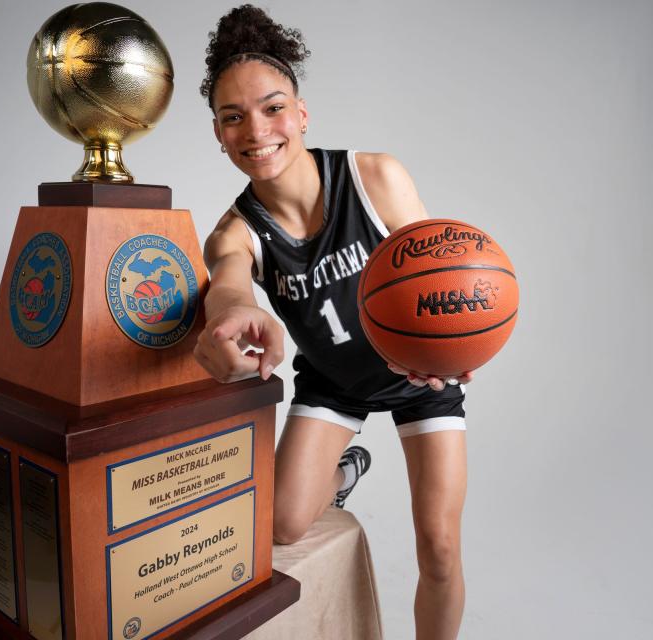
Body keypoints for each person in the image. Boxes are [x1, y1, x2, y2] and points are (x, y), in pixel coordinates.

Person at [193, 6, 473, 639]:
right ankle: (342, 473)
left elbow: (441, 278)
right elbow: (230, 286)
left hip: (416, 376)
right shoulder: (235, 232)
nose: (255, 130)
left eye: (271, 108)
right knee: (282, 525)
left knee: (439, 546)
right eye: (232, 117)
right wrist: (235, 311)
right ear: (217, 132)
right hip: (334, 381)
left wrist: (449, 348)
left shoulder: (375, 177)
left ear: (301, 114)